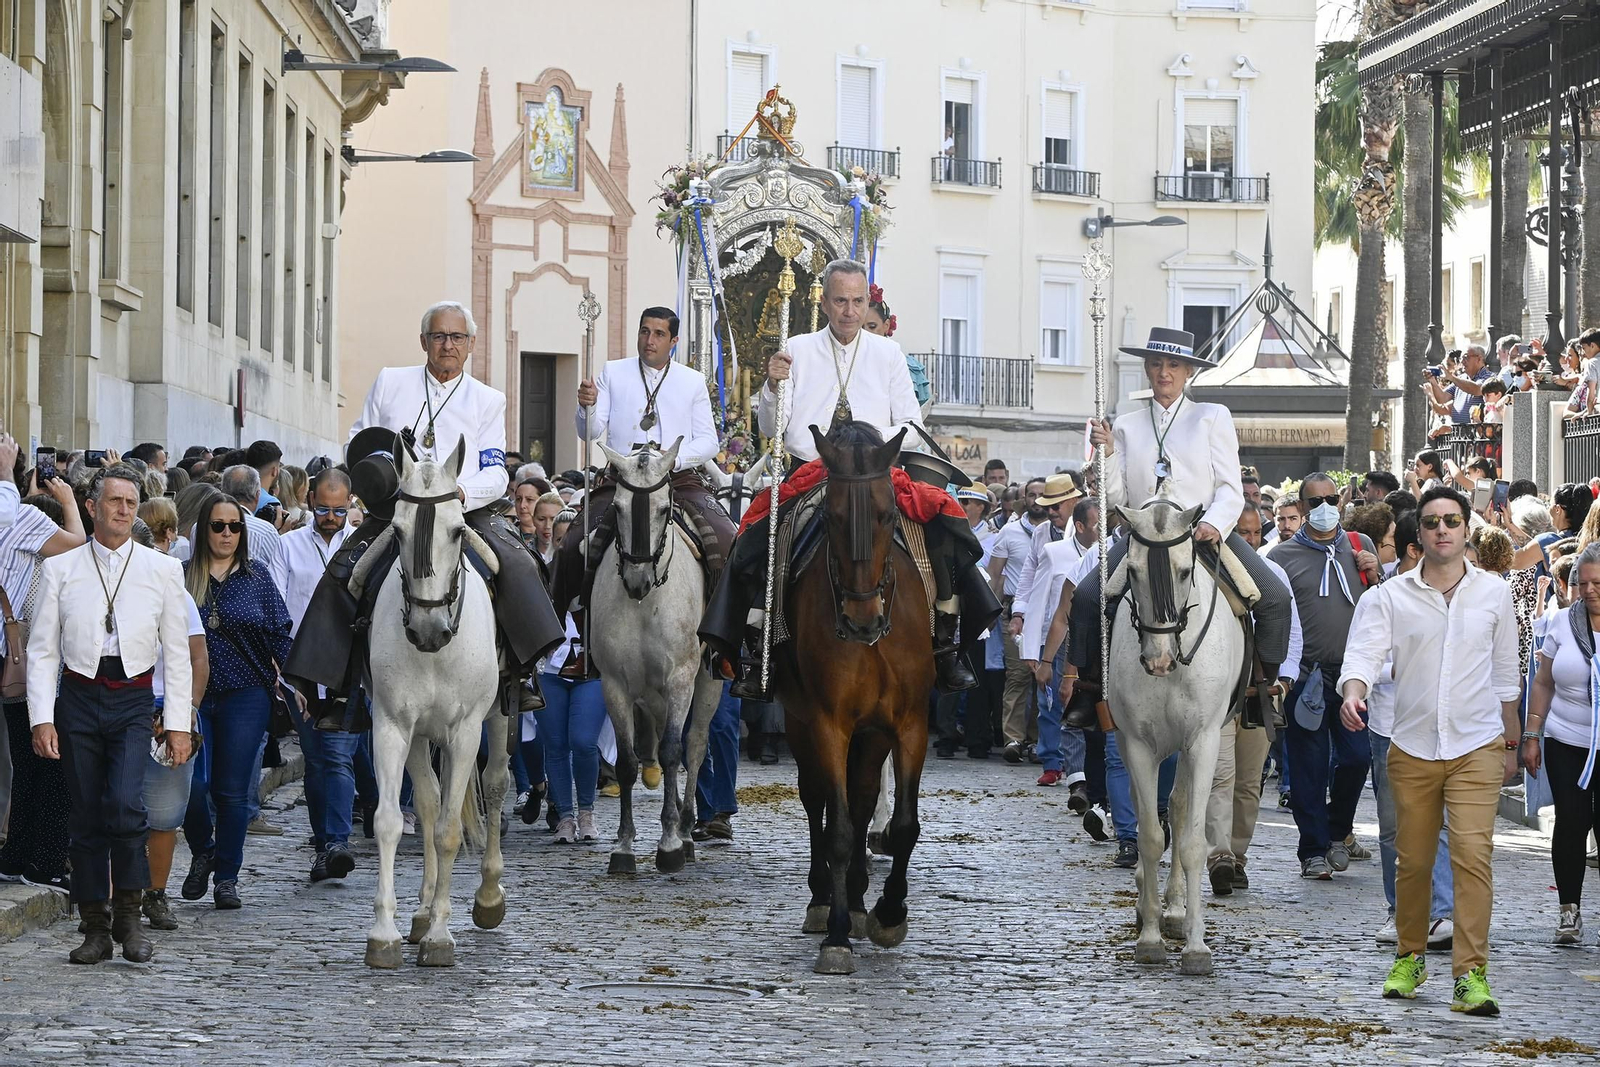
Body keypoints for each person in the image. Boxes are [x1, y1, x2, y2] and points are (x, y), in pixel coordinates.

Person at [703, 259, 998, 697]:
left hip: (876, 473)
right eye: (840, 301)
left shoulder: (888, 354)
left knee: (942, 525)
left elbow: (910, 424)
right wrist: (772, 386)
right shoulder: (797, 349)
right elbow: (771, 427)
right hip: (812, 472)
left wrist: (875, 448)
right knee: (758, 536)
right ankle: (756, 645)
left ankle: (946, 641)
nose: (849, 311)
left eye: (858, 301)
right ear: (824, 302)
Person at [285, 300, 565, 717]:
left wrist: (462, 493)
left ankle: (520, 673)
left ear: (470, 344)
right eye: (439, 336)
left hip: (463, 510)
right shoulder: (390, 381)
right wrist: (381, 472)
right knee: (344, 571)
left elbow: (495, 471)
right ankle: (337, 689)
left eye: (456, 337)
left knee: (517, 564)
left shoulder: (488, 399)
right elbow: (357, 441)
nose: (447, 345)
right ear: (423, 341)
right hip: (397, 509)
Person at [1339, 486, 1522, 1015]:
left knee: (1473, 858)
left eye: (1452, 520)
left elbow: (1506, 673)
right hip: (1413, 744)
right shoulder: (1389, 597)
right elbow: (1364, 654)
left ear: (1466, 530)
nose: (1443, 529)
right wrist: (1354, 693)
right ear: (1418, 534)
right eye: (1432, 521)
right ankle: (1410, 957)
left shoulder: (1494, 593)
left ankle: (1470, 975)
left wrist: (1513, 742)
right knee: (1414, 862)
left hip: (1477, 743)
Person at [26, 464, 193, 964]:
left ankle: (129, 918)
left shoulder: (162, 569)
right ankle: (95, 926)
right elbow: (42, 650)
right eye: (114, 501)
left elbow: (177, 654)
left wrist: (178, 725)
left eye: (130, 502)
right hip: (78, 697)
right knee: (85, 814)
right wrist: (41, 717)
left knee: (125, 806)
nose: (123, 510)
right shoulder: (60, 569)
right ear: (92, 507)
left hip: (133, 698)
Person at [1084, 326, 1292, 690]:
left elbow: (1230, 488)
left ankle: (1262, 692)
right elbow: (1117, 500)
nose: (1164, 372)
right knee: (1086, 597)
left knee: (1275, 597)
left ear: (1188, 371)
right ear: (1146, 369)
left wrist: (1213, 524)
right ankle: (1088, 693)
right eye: (1156, 364)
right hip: (1145, 540)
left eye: (1174, 365)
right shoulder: (1126, 425)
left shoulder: (1212, 416)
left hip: (1203, 535)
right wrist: (1110, 454)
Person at [180, 493, 292, 909]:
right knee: (192, 786)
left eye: (234, 526)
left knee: (230, 791)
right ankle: (203, 850)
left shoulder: (256, 576)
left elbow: (279, 632)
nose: (227, 534)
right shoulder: (182, 576)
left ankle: (226, 877)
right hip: (192, 695)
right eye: (218, 525)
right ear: (204, 530)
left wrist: (302, 684)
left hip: (245, 694)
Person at [1268, 471, 1380, 879]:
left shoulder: (1360, 545)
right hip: (1306, 677)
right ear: (1301, 507)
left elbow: (1381, 608)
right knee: (1309, 769)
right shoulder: (1280, 558)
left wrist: (1377, 575)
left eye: (1331, 499)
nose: (1325, 507)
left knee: (1357, 758)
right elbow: (1271, 617)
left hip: (1354, 677)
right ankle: (1313, 850)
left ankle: (1337, 830)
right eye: (1315, 502)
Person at [1356, 509, 1457, 950]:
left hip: (1445, 726)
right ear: (1415, 551)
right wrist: (1402, 667)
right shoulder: (1379, 599)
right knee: (1395, 826)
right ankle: (1399, 911)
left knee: (1441, 823)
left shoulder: (1461, 596)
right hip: (1390, 728)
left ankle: (1441, 913)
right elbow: (1363, 660)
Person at [1203, 503, 1303, 894]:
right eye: (1241, 532)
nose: (1249, 539)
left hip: (1261, 691)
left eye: (1254, 533)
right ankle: (1219, 856)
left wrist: (1284, 682)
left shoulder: (1272, 573)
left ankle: (1238, 856)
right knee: (1219, 776)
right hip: (1217, 694)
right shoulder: (1202, 573)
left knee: (1248, 782)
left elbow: (1292, 633)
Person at [0, 478, 86, 889]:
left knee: (27, 770)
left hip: (17, 681)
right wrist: (70, 503)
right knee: (54, 772)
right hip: (44, 686)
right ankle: (45, 861)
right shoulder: (46, 572)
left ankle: (15, 855)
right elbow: (79, 546)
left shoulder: (21, 566)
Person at [278, 468, 362, 881]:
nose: (331, 517)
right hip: (302, 669)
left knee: (338, 757)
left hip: (349, 669)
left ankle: (337, 843)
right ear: (311, 500)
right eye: (324, 509)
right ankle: (323, 843)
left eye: (339, 510)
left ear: (351, 504)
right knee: (315, 760)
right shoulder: (288, 546)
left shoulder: (365, 547)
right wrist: (285, 673)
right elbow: (278, 607)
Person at [1521, 541, 1600, 946]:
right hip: (1566, 738)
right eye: (1582, 583)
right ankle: (1569, 910)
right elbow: (1543, 681)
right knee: (1571, 820)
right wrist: (1531, 735)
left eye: (1597, 583)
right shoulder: (1562, 622)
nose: (1589, 591)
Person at [133, 517, 207, 932]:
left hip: (165, 707)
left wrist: (186, 712)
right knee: (113, 808)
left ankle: (155, 893)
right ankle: (112, 898)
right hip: (115, 704)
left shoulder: (174, 595)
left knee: (164, 813)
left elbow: (197, 658)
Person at [988, 477, 1049, 760]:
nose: (1036, 500)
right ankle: (1013, 738)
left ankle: (1038, 741)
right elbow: (994, 574)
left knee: (1043, 677)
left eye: (1041, 494)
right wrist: (989, 613)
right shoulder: (1009, 532)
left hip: (1048, 614)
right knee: (1017, 675)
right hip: (1015, 613)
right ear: (1024, 499)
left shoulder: (1060, 532)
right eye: (1031, 494)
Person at [535, 612, 606, 844]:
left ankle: (586, 812)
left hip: (591, 667)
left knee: (583, 741)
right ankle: (565, 816)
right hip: (547, 670)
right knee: (555, 746)